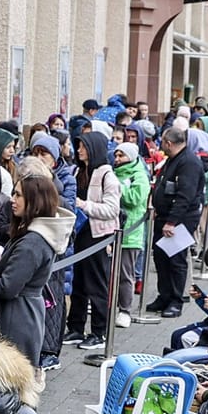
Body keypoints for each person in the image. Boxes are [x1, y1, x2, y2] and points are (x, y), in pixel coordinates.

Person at [0, 172, 73, 367]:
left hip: (18, 318)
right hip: (23, 314)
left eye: (19, 195)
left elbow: (8, 287)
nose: (13, 200)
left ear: (35, 201)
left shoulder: (32, 243)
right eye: (14, 194)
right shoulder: (30, 235)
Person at [68, 130, 120, 352]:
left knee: (97, 283)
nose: (78, 150)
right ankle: (76, 327)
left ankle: (99, 332)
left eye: (83, 146)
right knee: (78, 281)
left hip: (98, 235)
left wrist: (84, 205)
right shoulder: (78, 170)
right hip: (79, 233)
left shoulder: (107, 175)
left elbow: (112, 209)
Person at [149, 127, 205, 319]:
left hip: (180, 219)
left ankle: (176, 300)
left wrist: (172, 221)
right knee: (161, 258)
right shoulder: (174, 159)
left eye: (162, 142)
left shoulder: (188, 162)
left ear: (169, 143)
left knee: (176, 260)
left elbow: (185, 195)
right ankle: (164, 295)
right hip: (164, 216)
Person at [115, 142, 151, 300]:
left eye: (121, 155)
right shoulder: (114, 172)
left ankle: (125, 309)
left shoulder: (139, 176)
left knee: (125, 274)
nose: (117, 159)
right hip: (113, 230)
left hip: (130, 233)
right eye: (116, 155)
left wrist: (117, 187)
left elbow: (134, 198)